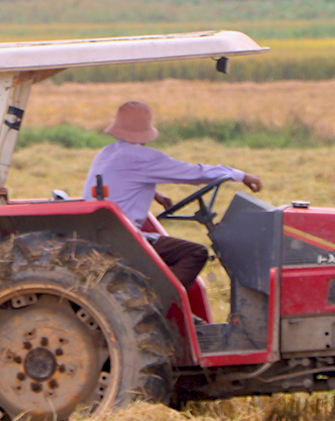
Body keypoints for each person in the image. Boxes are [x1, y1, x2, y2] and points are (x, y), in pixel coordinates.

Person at [81, 100, 262, 288]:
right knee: (195, 253)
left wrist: (155, 194)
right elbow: (195, 173)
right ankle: (157, 300)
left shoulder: (107, 152)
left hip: (103, 231)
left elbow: (114, 184)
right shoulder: (143, 157)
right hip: (123, 239)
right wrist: (240, 175)